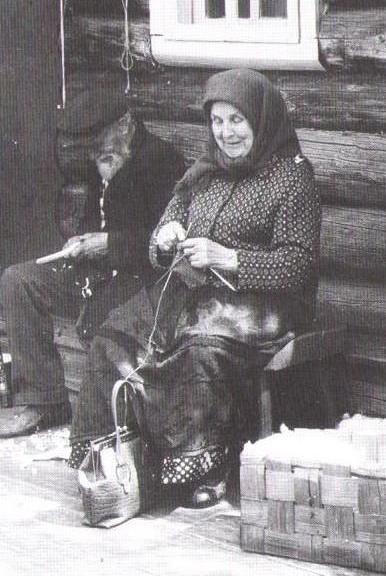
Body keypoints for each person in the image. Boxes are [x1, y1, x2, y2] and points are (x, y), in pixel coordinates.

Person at [69, 68, 322, 508]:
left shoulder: (291, 177)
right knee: (114, 335)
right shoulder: (204, 170)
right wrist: (166, 236)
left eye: (237, 120)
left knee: (196, 347)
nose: (226, 133)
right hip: (192, 294)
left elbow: (298, 265)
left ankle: (205, 464)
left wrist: (228, 258)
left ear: (261, 119)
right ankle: (116, 458)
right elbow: (168, 221)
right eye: (217, 121)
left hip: (262, 304)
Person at [0, 91, 185, 437]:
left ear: (125, 124)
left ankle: (115, 420)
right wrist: (80, 242)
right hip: (94, 274)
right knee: (18, 280)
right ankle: (45, 402)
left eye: (99, 139)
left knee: (102, 318)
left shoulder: (161, 161)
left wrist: (109, 245)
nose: (91, 151)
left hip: (141, 281)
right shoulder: (102, 156)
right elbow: (95, 218)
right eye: (88, 143)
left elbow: (167, 244)